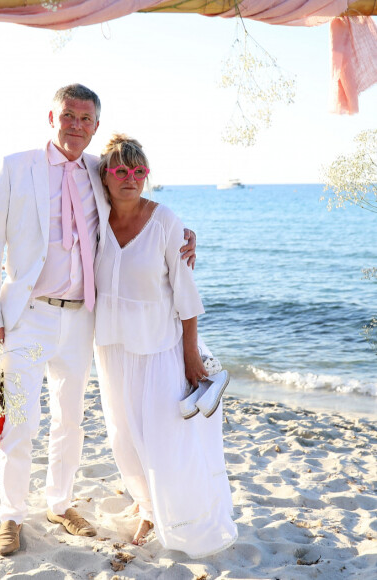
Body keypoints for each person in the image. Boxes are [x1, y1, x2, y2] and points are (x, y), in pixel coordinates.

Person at [0, 84, 197, 556]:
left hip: (81, 322)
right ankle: (11, 515)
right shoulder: (16, 167)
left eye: (85, 119)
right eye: (68, 116)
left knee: (70, 420)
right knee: (22, 419)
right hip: (28, 317)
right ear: (51, 117)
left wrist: (183, 233)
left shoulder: (98, 170)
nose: (76, 126)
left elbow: (133, 203)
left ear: (96, 125)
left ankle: (59, 502)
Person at [94, 134, 238, 556]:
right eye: (121, 169)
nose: (130, 178)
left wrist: (190, 354)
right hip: (112, 348)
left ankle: (180, 514)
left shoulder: (165, 221)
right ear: (105, 175)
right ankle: (146, 508)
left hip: (159, 348)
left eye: (139, 171)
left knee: (164, 438)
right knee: (123, 436)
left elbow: (186, 294)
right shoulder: (97, 218)